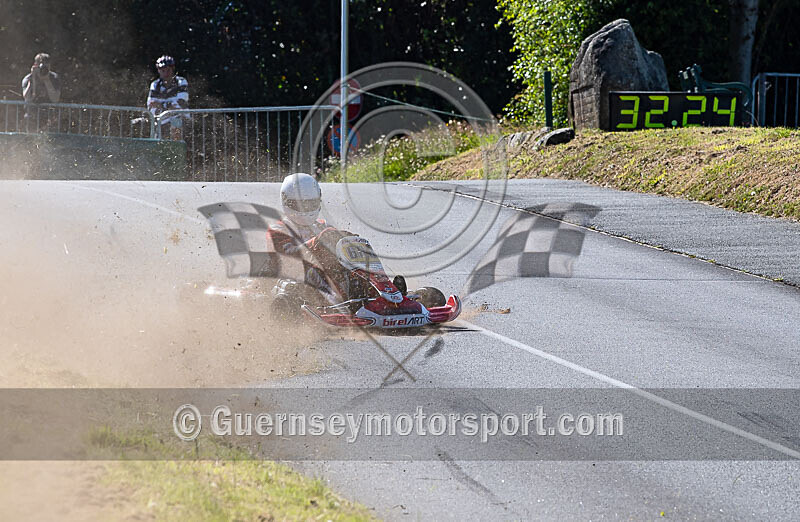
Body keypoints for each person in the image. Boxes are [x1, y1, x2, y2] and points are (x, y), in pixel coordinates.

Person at [268, 173, 355, 304]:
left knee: (354, 271)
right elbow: (290, 257)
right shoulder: (279, 229)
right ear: (287, 201)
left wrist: (347, 240)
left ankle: (384, 297)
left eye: (310, 204)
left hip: (327, 278)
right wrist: (319, 241)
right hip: (293, 277)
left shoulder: (323, 226)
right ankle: (336, 306)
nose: (305, 209)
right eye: (300, 204)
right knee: (308, 274)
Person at [146, 55, 188, 140]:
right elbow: (151, 106)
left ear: (173, 69)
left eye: (168, 70)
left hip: (180, 120)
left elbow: (180, 103)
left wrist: (160, 105)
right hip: (161, 121)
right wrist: (168, 106)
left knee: (176, 122)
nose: (166, 73)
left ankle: (177, 150)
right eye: (163, 70)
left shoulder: (181, 82)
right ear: (158, 70)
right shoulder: (155, 85)